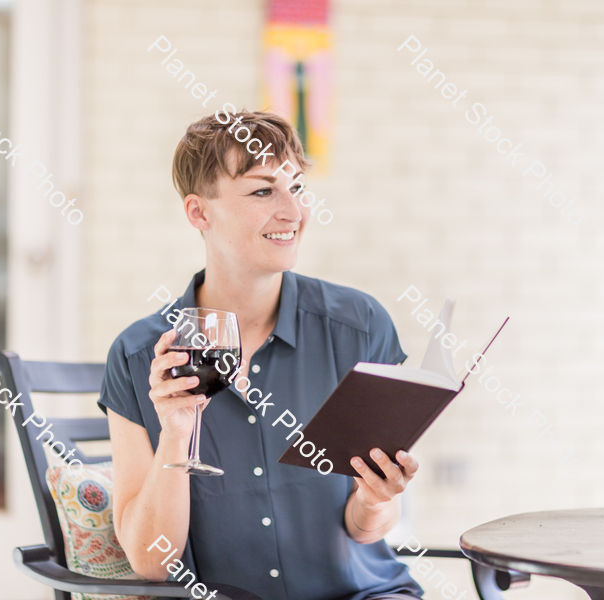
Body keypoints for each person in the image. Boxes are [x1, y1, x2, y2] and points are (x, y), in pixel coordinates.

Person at [99, 109, 425, 600]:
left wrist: (377, 500)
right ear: (198, 213)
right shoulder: (139, 356)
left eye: (296, 188)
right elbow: (153, 562)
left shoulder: (358, 328)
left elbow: (364, 529)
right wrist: (176, 436)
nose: (292, 212)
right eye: (261, 191)